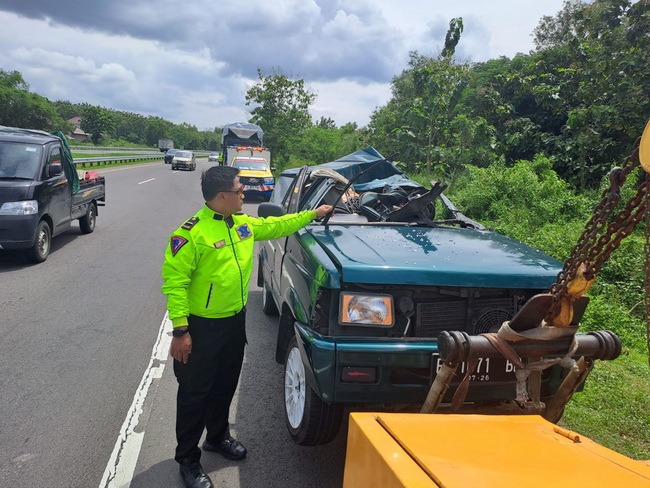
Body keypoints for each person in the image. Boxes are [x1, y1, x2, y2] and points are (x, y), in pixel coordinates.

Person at [161, 165, 332, 488]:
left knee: (225, 385)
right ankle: (187, 459)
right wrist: (181, 331)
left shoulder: (241, 224)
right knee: (194, 395)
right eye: (240, 191)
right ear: (223, 196)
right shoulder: (190, 234)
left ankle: (217, 437)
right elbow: (175, 284)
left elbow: (278, 224)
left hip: (233, 322)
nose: (245, 195)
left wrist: (313, 213)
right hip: (201, 328)